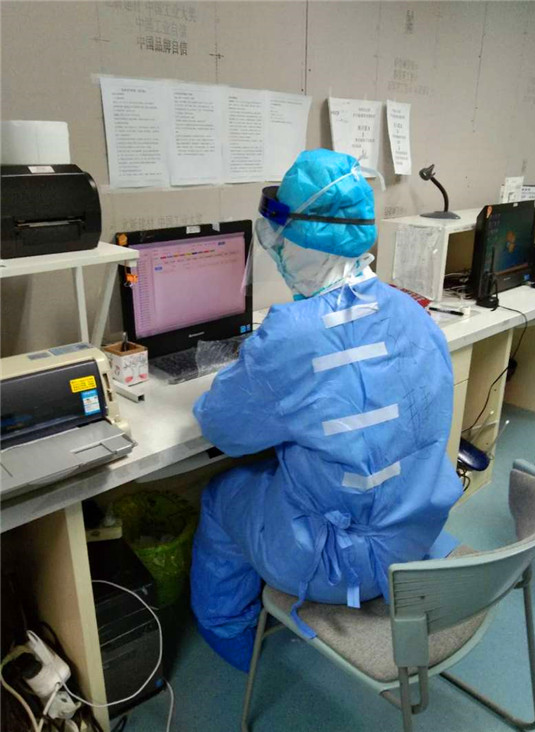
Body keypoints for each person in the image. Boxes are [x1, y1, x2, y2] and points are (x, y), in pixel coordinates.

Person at [191, 149, 462, 672]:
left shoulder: (288, 337)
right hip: (417, 533)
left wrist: (253, 370)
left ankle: (230, 632)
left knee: (222, 493)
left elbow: (222, 428)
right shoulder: (412, 311)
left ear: (297, 240)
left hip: (342, 566)